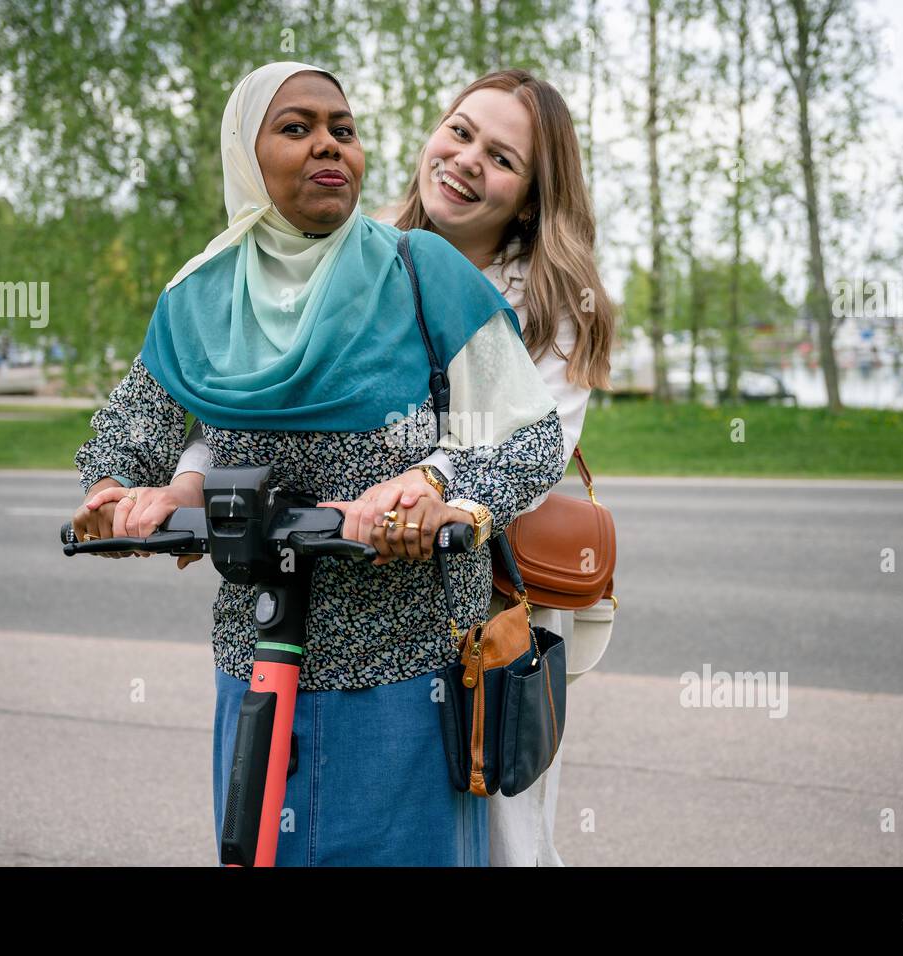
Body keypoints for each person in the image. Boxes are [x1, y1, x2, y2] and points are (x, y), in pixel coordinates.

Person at [70, 61, 565, 866]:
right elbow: (132, 431)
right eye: (295, 128)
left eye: (343, 128)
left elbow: (528, 438)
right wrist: (114, 494)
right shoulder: (199, 294)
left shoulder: (420, 272)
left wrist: (441, 492)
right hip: (257, 659)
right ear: (245, 155)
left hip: (412, 667)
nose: (328, 145)